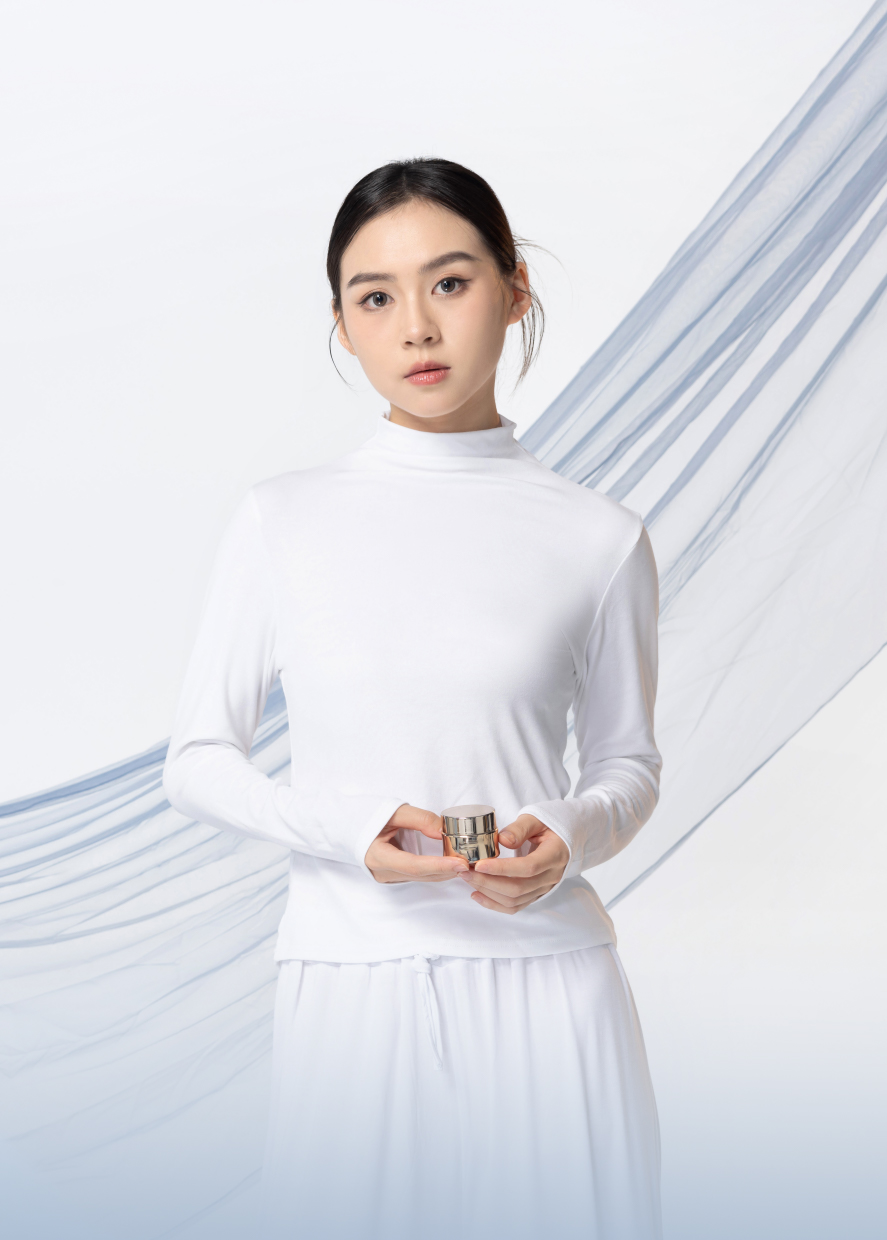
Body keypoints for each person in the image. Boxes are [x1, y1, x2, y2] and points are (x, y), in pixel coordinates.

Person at [163, 158, 662, 1240]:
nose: (416, 328)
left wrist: (567, 833)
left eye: (449, 282)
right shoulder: (281, 520)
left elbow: (627, 765)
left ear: (513, 290)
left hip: (549, 985)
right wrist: (353, 833)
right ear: (342, 326)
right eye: (374, 297)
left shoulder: (599, 536)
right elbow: (197, 761)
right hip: (353, 981)